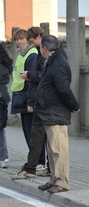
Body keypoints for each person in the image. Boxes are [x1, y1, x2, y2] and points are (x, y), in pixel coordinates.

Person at [34, 35, 80, 193]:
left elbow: (63, 89)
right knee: (52, 147)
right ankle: (54, 178)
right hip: (50, 111)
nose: (40, 51)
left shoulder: (58, 63)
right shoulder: (52, 61)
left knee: (59, 148)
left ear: (45, 49)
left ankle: (62, 181)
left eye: (40, 48)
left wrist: (74, 105)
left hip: (56, 111)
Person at [11, 26, 48, 180]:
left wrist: (30, 100)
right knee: (28, 132)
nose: (19, 42)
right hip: (21, 95)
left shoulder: (32, 54)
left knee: (33, 133)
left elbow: (32, 78)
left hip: (27, 96)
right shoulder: (23, 54)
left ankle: (39, 162)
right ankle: (35, 161)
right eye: (16, 39)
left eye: (22, 39)